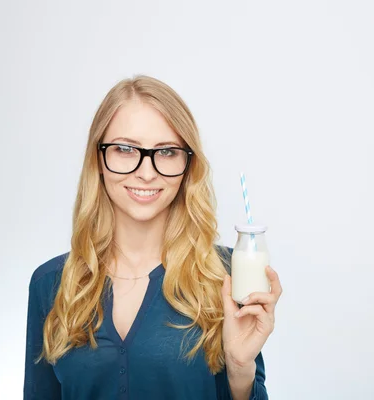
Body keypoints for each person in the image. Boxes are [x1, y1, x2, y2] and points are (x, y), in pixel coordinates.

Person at [23, 75, 282, 399]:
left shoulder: (226, 275)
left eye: (167, 152)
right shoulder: (52, 284)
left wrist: (240, 369)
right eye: (125, 149)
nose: (146, 172)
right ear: (99, 160)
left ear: (188, 164)